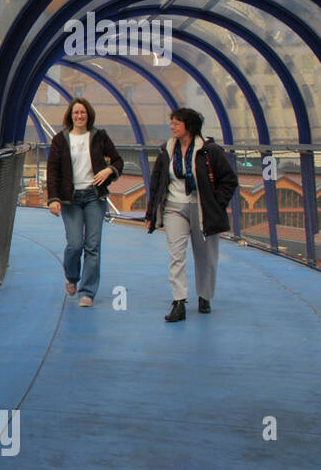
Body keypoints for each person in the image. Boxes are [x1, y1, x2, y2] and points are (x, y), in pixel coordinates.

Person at [144, 108, 239, 321]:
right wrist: (151, 212)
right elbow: (157, 182)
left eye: (176, 123)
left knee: (205, 256)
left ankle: (204, 296)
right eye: (172, 123)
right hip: (174, 206)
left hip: (202, 208)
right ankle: (179, 302)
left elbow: (229, 180)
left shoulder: (209, 151)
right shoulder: (166, 150)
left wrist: (217, 204)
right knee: (176, 255)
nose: (172, 127)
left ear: (189, 126)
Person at [46, 98, 125, 307]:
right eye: (75, 113)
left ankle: (87, 292)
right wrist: (53, 199)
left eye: (82, 113)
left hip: (94, 197)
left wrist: (109, 170)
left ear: (88, 115)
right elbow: (53, 171)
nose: (79, 116)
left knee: (92, 246)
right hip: (70, 199)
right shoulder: (60, 140)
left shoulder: (99, 136)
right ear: (70, 116)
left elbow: (118, 160)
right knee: (74, 245)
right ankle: (72, 277)